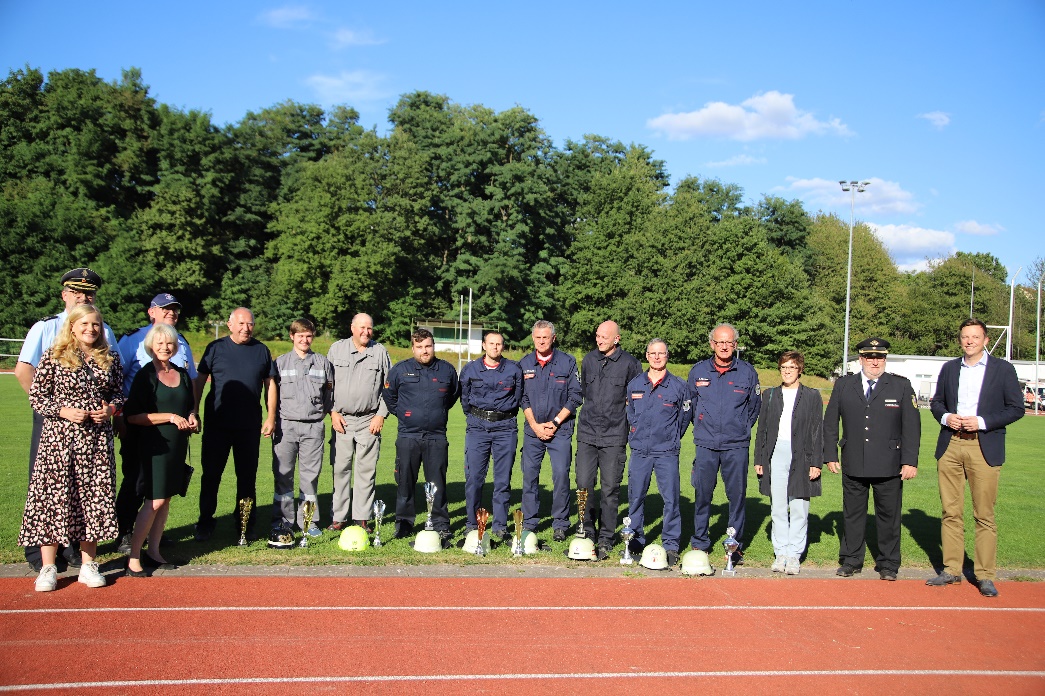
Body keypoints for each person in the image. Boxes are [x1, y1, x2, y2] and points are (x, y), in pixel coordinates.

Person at [15, 267, 119, 572]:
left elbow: (115, 385)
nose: (83, 297)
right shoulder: (45, 327)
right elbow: (25, 371)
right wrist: (55, 410)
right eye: (77, 292)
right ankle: (42, 558)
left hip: (94, 433)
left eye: (89, 293)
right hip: (55, 424)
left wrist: (111, 409)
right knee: (50, 488)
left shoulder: (105, 332)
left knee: (88, 491)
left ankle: (76, 552)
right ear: (65, 295)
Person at [926, 318, 1024, 597]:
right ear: (960, 340)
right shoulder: (949, 368)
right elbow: (936, 403)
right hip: (951, 445)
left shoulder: (1003, 369)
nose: (969, 341)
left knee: (984, 514)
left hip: (984, 445)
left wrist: (981, 422)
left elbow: (1016, 408)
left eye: (975, 337)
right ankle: (951, 570)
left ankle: (985, 575)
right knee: (950, 511)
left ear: (985, 340)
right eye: (965, 337)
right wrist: (946, 417)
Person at [824, 337, 920, 581]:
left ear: (885, 359)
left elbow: (911, 427)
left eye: (879, 357)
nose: (874, 362)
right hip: (854, 459)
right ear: (861, 359)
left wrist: (910, 460)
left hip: (889, 462)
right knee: (852, 515)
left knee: (889, 516)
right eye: (869, 357)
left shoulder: (900, 385)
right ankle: (851, 560)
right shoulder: (844, 385)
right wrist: (830, 454)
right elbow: (831, 421)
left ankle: (888, 563)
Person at [115, 293, 197, 553]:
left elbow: (190, 384)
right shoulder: (133, 340)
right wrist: (119, 416)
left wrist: (193, 413)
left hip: (173, 436)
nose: (171, 313)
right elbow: (117, 379)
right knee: (136, 482)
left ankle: (153, 539)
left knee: (164, 490)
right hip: (140, 428)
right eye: (165, 309)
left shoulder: (181, 342)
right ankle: (125, 533)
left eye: (174, 309)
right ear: (152, 312)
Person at [193, 307, 277, 543]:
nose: (246, 328)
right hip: (217, 425)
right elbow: (200, 381)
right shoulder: (215, 348)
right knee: (211, 476)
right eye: (241, 323)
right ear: (230, 325)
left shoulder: (261, 350)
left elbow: (270, 384)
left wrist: (271, 416)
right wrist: (194, 410)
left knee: (247, 478)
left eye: (250, 324)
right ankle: (205, 522)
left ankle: (245, 524)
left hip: (248, 426)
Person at [687, 323, 761, 566]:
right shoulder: (698, 371)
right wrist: (702, 426)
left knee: (736, 496)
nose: (725, 346)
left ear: (735, 344)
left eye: (729, 342)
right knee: (702, 494)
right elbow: (691, 405)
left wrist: (739, 427)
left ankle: (734, 546)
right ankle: (700, 541)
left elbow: (754, 408)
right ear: (712, 344)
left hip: (736, 445)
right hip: (706, 444)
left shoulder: (747, 372)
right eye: (720, 342)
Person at [382, 328, 460, 543]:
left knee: (437, 484)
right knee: (405, 482)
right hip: (408, 435)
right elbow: (389, 396)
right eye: (419, 347)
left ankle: (440, 524)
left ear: (433, 346)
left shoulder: (447, 370)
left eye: (428, 346)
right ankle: (404, 524)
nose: (424, 351)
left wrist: (437, 414)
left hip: (436, 436)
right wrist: (406, 415)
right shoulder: (400, 370)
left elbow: (452, 396)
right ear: (412, 348)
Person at [753, 351, 824, 575]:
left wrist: (816, 462)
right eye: (784, 367)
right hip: (776, 454)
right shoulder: (770, 395)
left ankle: (794, 554)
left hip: (802, 455)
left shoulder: (812, 396)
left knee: (799, 506)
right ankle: (781, 552)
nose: (787, 371)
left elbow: (817, 430)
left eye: (792, 367)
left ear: (799, 369)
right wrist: (759, 459)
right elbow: (762, 430)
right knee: (778, 506)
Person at [624, 339, 694, 567]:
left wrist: (671, 437)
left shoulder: (679, 386)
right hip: (640, 451)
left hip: (666, 451)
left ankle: (671, 544)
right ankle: (635, 540)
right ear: (647, 356)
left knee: (671, 499)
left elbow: (684, 419)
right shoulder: (635, 384)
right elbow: (630, 414)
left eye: (661, 353)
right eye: (652, 353)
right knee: (636, 498)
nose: (656, 357)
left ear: (667, 356)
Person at [576, 321, 642, 560]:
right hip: (587, 433)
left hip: (614, 435)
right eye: (597, 335)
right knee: (583, 484)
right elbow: (585, 393)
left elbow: (634, 399)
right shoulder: (588, 360)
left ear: (617, 339)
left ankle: (606, 536)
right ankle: (586, 530)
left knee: (610, 488)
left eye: (604, 336)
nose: (599, 340)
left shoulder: (631, 364)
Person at [519, 320, 583, 541]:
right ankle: (529, 522)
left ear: (553, 338)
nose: (541, 341)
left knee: (561, 476)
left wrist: (555, 423)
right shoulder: (524, 364)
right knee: (529, 476)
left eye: (545, 337)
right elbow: (522, 398)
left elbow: (575, 396)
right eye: (538, 337)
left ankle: (560, 524)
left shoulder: (567, 362)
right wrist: (535, 425)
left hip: (560, 430)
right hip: (533, 431)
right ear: (533, 338)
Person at [327, 313, 391, 533]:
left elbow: (389, 387)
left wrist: (381, 415)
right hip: (341, 420)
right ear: (352, 328)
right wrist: (332, 412)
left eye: (369, 328)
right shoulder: (337, 349)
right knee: (340, 470)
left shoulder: (380, 352)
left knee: (366, 471)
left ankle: (361, 517)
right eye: (362, 327)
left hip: (369, 420)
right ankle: (339, 517)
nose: (366, 332)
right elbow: (327, 385)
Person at [271, 319, 334, 536]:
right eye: (300, 336)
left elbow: (329, 395)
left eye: (308, 336)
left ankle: (309, 521)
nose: (304, 340)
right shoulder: (280, 363)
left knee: (310, 477)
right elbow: (271, 395)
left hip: (313, 427)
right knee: (283, 475)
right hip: (285, 427)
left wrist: (318, 415)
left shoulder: (323, 363)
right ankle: (283, 520)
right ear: (292, 336)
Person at [459, 330, 522, 542]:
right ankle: (472, 524)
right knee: (474, 479)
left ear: (503, 346)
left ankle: (500, 526)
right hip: (477, 427)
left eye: (499, 344)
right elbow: (465, 399)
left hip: (505, 427)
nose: (495, 347)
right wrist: (477, 417)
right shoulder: (470, 369)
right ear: (484, 345)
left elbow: (518, 396)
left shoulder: (514, 369)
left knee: (502, 480)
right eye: (491, 343)